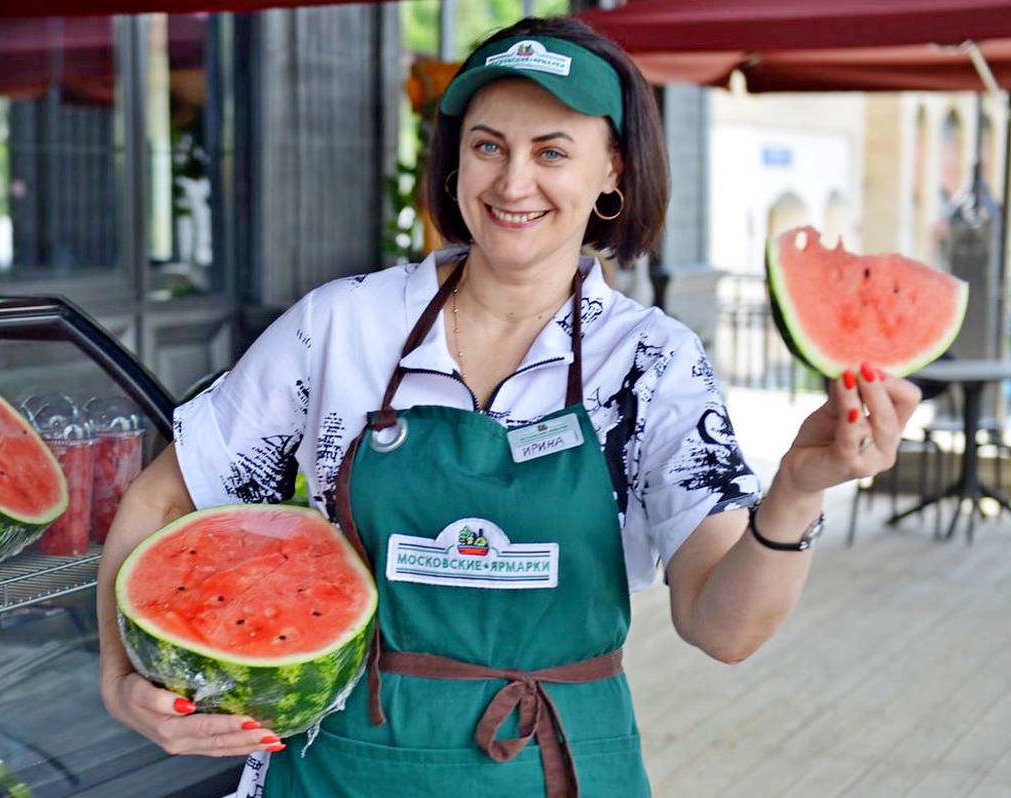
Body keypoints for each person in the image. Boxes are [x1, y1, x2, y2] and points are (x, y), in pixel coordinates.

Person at [97, 15, 920, 797]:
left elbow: (723, 627)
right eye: (488, 146)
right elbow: (165, 496)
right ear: (455, 165)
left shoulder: (651, 361)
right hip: (340, 768)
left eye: (552, 151)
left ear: (613, 172)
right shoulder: (342, 326)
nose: (513, 181)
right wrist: (119, 679)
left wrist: (798, 492)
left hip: (555, 769)